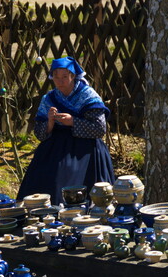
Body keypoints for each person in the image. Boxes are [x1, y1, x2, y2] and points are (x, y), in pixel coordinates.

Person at [17, 56, 115, 206]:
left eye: (64, 77)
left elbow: (99, 129)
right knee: (46, 175)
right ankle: (45, 212)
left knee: (71, 177)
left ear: (73, 76)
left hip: (86, 148)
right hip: (55, 147)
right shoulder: (48, 98)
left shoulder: (88, 95)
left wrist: (73, 122)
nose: (60, 81)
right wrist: (49, 122)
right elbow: (39, 134)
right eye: (56, 77)